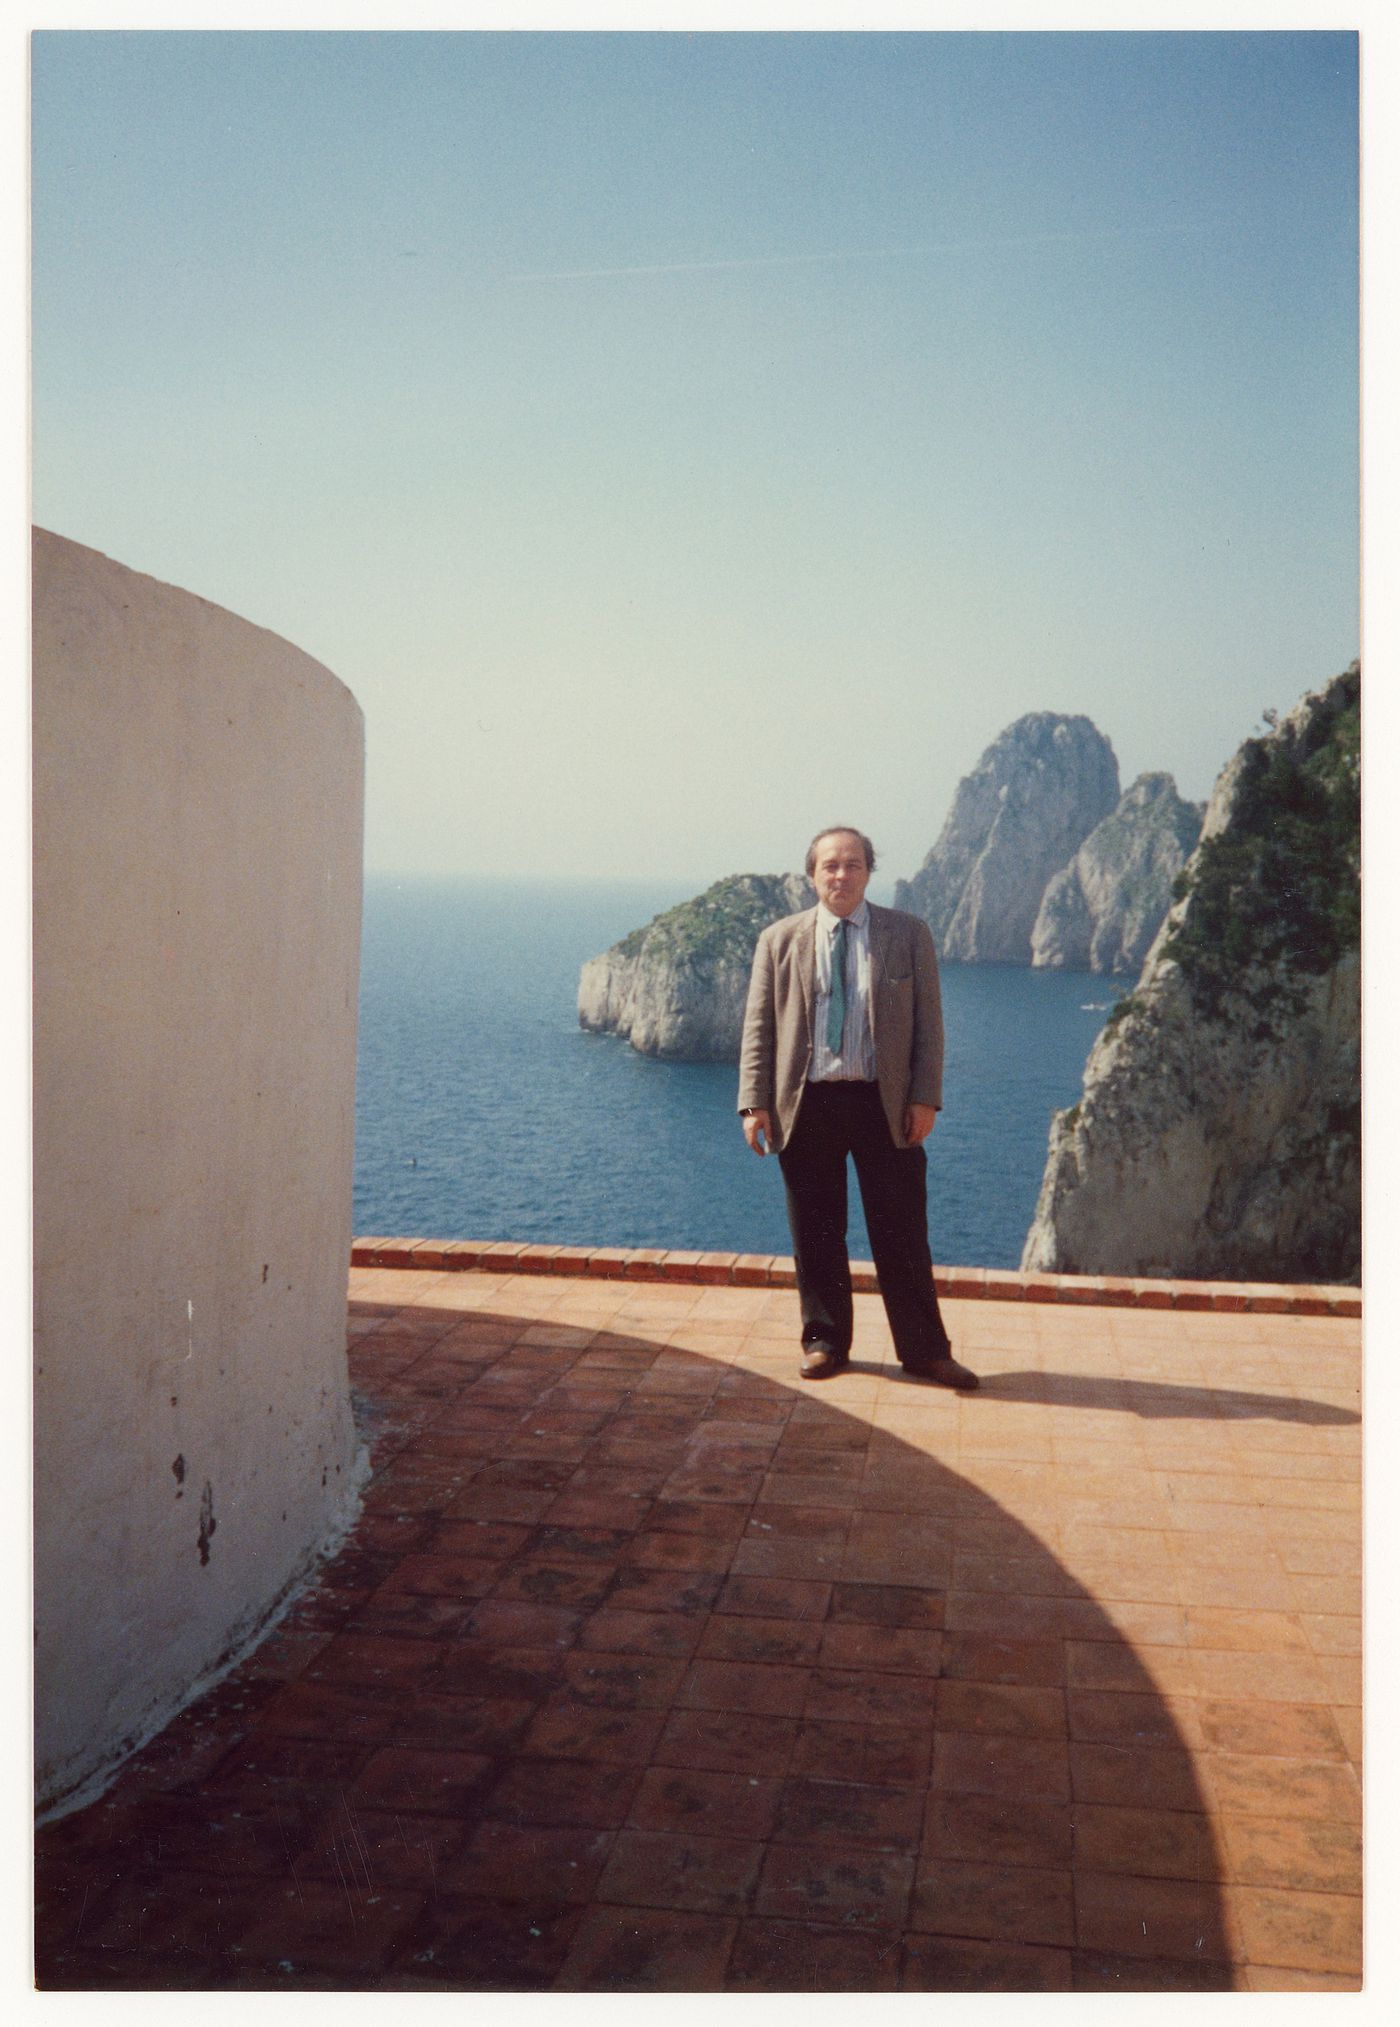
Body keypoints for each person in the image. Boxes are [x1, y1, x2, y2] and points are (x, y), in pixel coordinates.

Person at [738, 826, 978, 1389]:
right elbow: (759, 1028)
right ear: (812, 874)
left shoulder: (908, 934)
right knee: (816, 1230)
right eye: (829, 866)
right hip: (808, 1103)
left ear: (870, 871)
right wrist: (754, 1104)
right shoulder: (779, 939)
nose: (840, 875)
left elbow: (929, 1027)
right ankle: (824, 1341)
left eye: (852, 865)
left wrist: (925, 1097)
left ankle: (924, 1350)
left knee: (902, 1231)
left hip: (884, 1104)